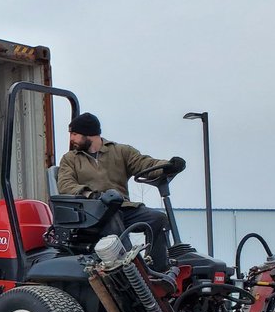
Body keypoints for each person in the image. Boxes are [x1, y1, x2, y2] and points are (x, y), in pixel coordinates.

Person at [56, 112, 184, 271]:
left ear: (89, 134)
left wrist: (169, 165)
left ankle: (157, 270)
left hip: (123, 207)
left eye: (74, 134)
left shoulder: (120, 151)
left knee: (158, 218)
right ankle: (132, 269)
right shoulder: (70, 159)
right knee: (112, 216)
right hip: (92, 213)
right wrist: (90, 194)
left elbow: (145, 164)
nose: (71, 139)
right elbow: (65, 184)